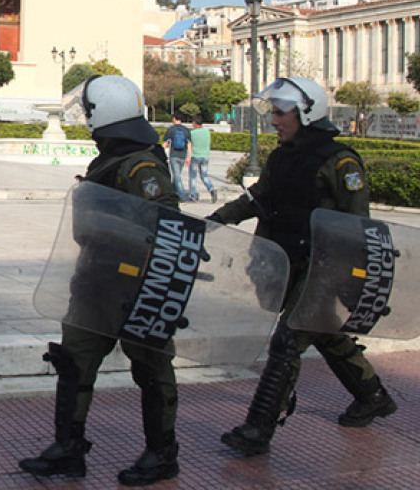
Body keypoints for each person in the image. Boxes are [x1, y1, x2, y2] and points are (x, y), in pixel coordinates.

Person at [211, 77, 396, 457]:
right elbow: (259, 198)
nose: (274, 120)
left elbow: (359, 227)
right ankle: (372, 395)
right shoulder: (282, 157)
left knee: (287, 341)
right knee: (326, 334)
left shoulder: (340, 162)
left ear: (307, 113)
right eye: (273, 112)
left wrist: (353, 281)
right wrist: (214, 220)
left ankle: (258, 428)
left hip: (325, 270)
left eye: (281, 113)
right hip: (291, 263)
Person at [20, 75, 181, 486]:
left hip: (137, 289)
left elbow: (166, 224)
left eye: (90, 110)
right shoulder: (111, 159)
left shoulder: (141, 166)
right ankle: (68, 449)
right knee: (73, 362)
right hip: (96, 284)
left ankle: (162, 454)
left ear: (104, 114)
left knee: (152, 369)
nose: (87, 118)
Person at [162, 113, 192, 201]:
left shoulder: (171, 129)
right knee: (177, 176)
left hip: (174, 155)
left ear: (175, 118)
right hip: (183, 156)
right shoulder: (186, 130)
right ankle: (173, 193)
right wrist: (189, 157)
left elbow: (165, 143)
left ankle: (182, 195)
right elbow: (189, 144)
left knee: (177, 176)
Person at [188, 114, 217, 203]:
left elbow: (190, 145)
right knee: (204, 176)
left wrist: (188, 157)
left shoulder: (192, 133)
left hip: (195, 155)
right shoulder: (207, 132)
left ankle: (194, 196)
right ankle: (211, 189)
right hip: (205, 156)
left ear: (195, 123)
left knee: (193, 177)